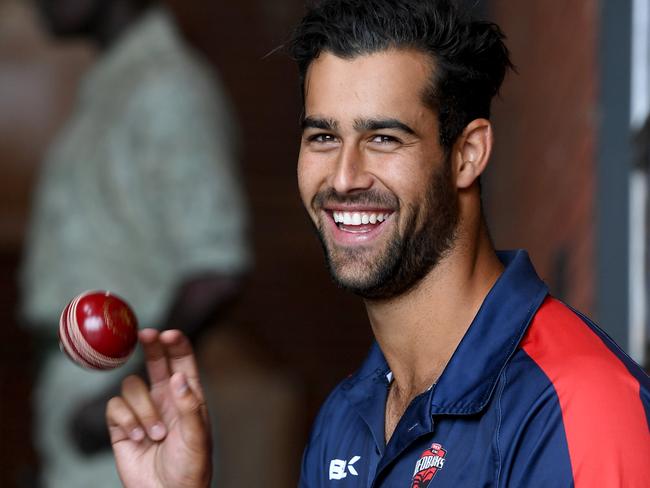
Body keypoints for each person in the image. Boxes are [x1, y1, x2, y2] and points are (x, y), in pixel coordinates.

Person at [106, 0, 650, 486]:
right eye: (323, 137)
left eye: (383, 138)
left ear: (467, 154)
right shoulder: (346, 419)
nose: (343, 177)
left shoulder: (579, 404)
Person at [20, 0, 250, 486]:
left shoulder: (167, 86)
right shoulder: (114, 83)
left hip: (134, 427)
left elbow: (215, 272)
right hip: (88, 398)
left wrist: (130, 394)